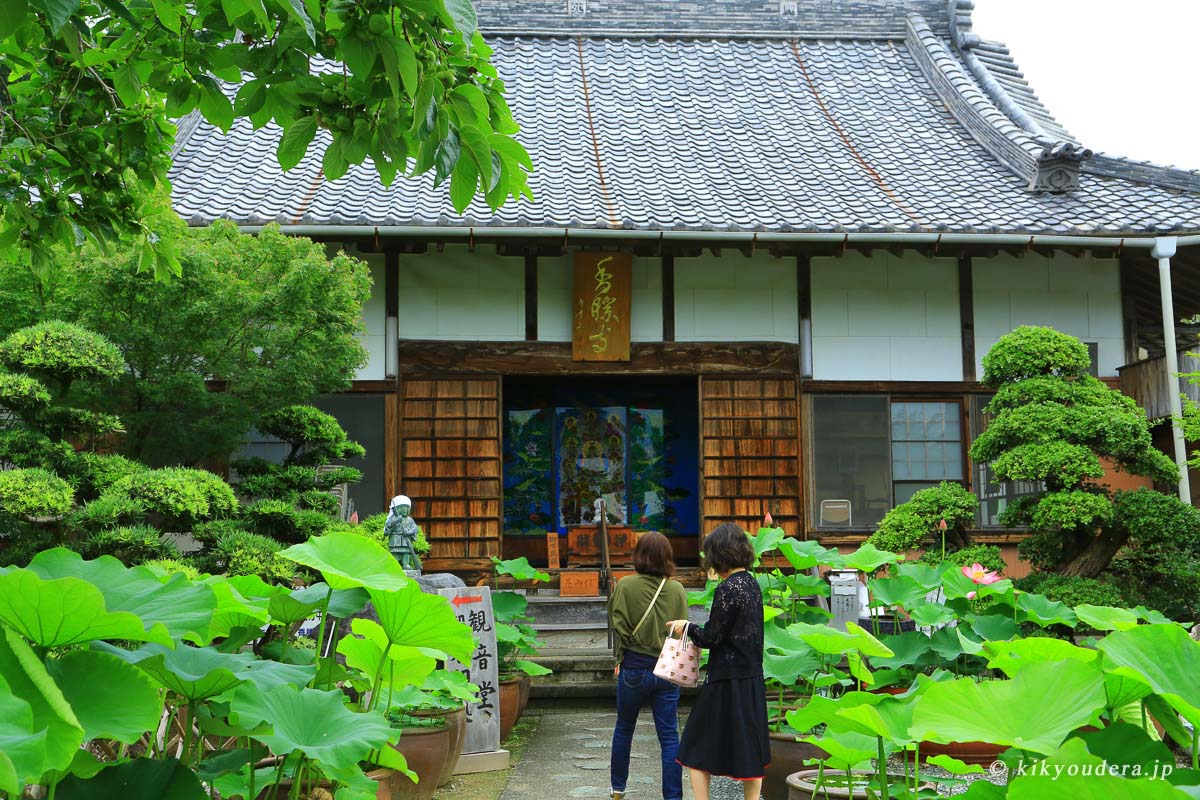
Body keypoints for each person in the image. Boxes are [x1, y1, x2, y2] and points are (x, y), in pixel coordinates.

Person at [667, 523, 769, 800]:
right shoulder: (751, 583)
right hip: (751, 678)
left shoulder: (728, 588)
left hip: (725, 680)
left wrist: (686, 627)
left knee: (694, 748)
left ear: (719, 555)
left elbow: (712, 637)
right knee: (750, 748)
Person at [607, 532, 689, 800]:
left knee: (624, 728)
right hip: (666, 667)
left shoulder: (625, 585)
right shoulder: (676, 589)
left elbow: (616, 624)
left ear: (638, 555)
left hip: (633, 666)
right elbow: (681, 630)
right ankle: (673, 796)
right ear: (667, 556)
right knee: (669, 737)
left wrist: (621, 657)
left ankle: (618, 788)